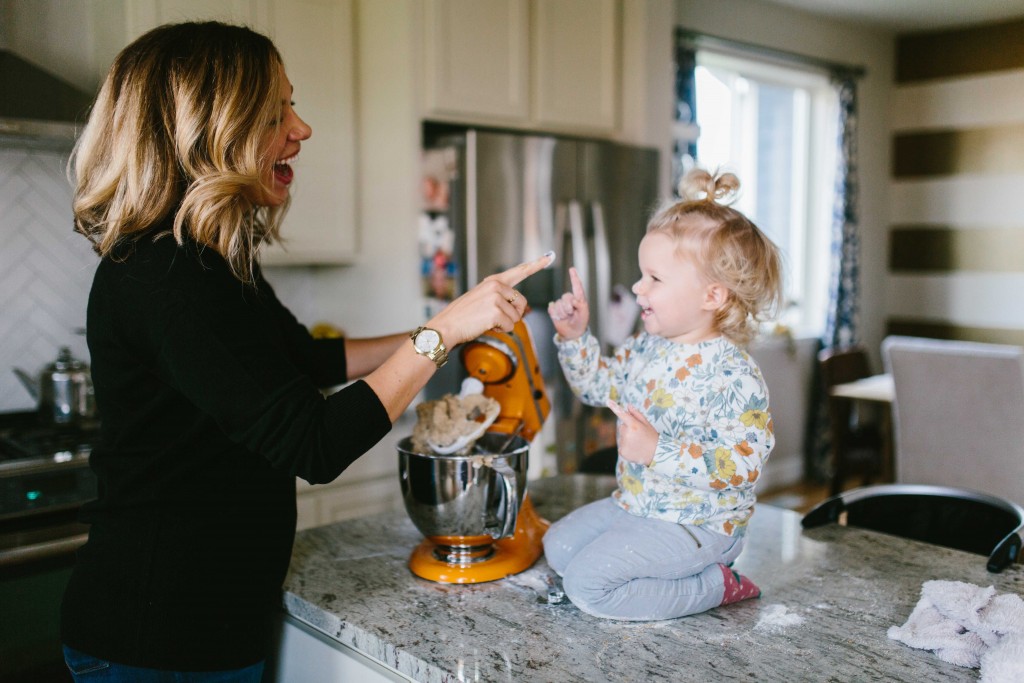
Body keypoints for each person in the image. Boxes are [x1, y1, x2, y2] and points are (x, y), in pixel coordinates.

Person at [60, 21, 553, 682]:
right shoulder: (166, 278)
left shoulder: (208, 258)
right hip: (160, 638)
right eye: (274, 113)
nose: (301, 127)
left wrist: (452, 330)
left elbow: (307, 359)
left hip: (208, 621)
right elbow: (312, 442)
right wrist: (440, 336)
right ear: (209, 131)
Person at [543, 168, 784, 621]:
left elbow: (742, 465)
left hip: (700, 524)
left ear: (713, 295)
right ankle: (674, 575)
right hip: (636, 505)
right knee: (558, 549)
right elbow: (598, 387)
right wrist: (575, 337)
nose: (638, 288)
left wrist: (658, 450)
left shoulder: (734, 375)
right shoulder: (646, 346)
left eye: (654, 278)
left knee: (588, 587)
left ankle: (718, 582)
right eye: (642, 274)